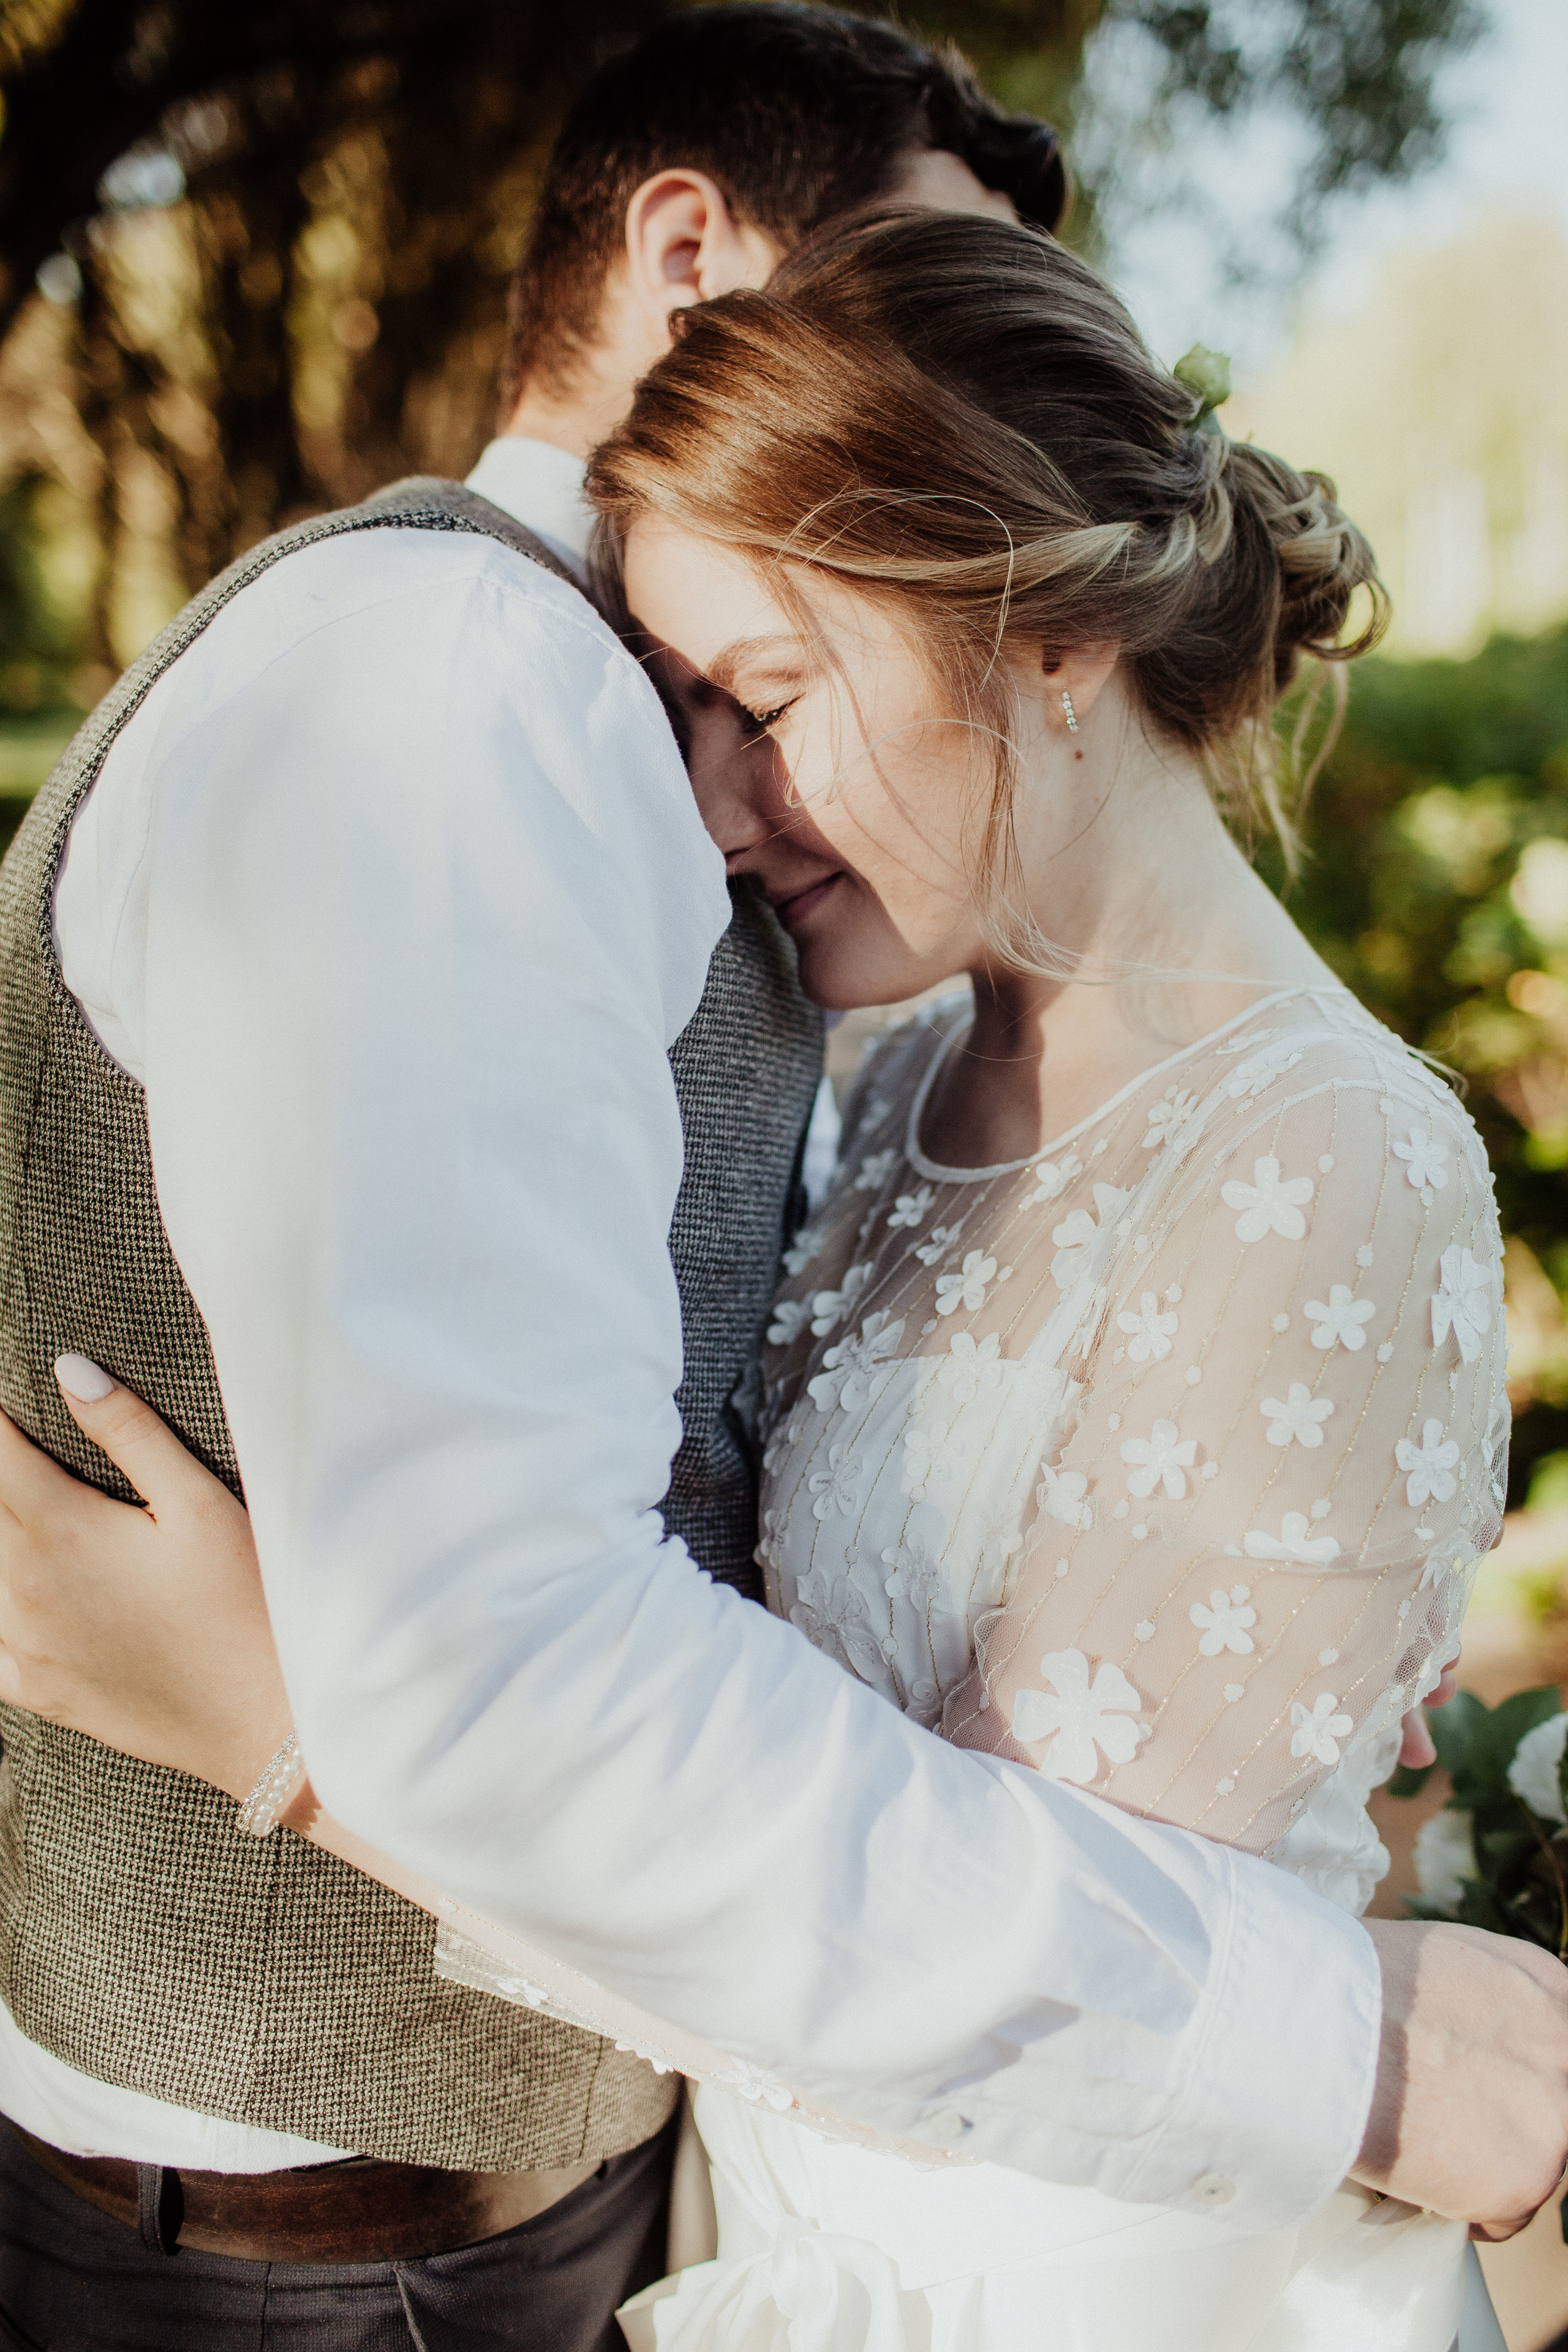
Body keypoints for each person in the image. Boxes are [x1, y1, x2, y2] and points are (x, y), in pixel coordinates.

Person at [0, 40, 1562, 2352]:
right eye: (699, 704)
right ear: (687, 255)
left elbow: (970, 1954)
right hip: (579, 2218)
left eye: (768, 697)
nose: (719, 809)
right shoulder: (842, 1003)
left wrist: (286, 1719)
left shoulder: (1301, 1154)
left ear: (1048, 618)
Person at [0, 13, 1068, 2344]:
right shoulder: (459, 684)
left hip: (567, 2158)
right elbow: (502, 1664)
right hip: (315, 2234)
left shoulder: (664, 737)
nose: (961, 422)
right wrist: (1346, 2058)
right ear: (692, 255)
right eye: (920, 310)